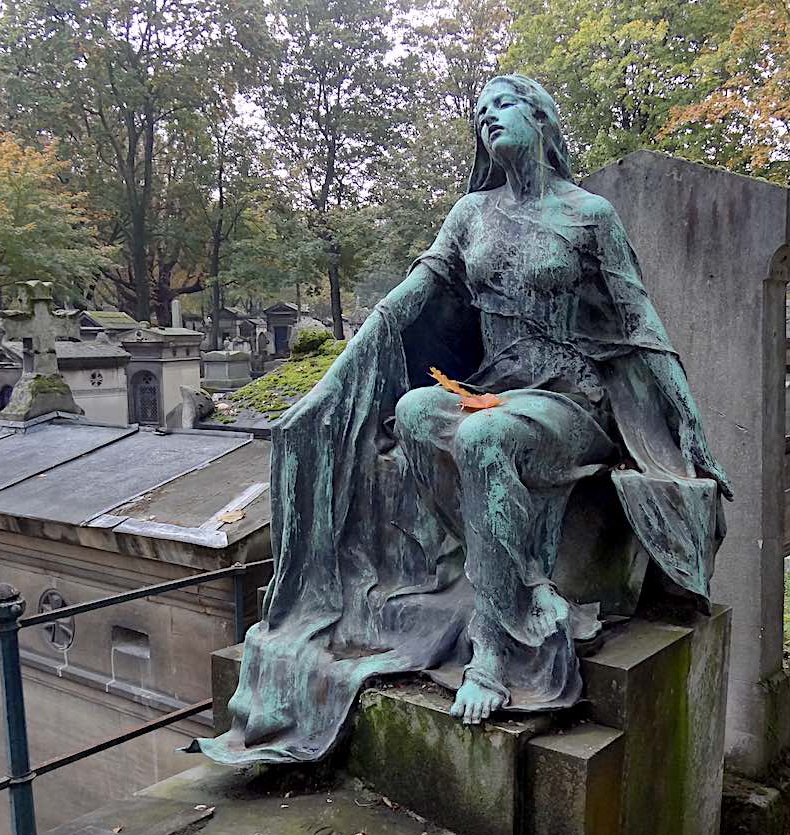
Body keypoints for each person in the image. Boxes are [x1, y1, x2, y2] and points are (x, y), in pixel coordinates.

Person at [192, 75, 729, 766]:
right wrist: (340, 374)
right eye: (478, 115)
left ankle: (499, 650)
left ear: (540, 116)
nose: (487, 120)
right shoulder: (470, 212)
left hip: (570, 398)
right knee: (416, 411)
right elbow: (410, 295)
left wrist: (688, 427)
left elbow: (640, 324)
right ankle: (510, 580)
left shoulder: (589, 214)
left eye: (501, 106)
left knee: (482, 436)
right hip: (492, 388)